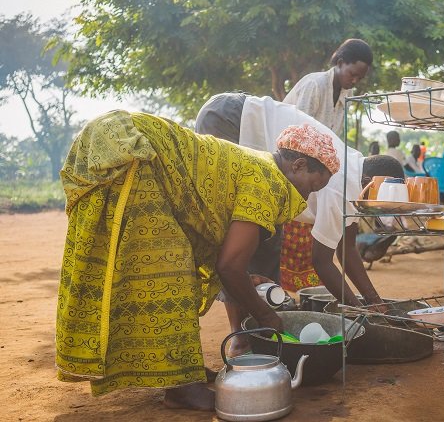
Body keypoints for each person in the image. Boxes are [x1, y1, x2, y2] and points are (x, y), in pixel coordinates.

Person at [56, 109, 338, 411]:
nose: (307, 198)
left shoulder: (259, 166)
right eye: (312, 186)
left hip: (124, 140)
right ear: (298, 164)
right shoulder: (268, 181)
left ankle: (179, 370)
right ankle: (181, 388)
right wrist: (267, 317)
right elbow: (229, 266)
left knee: (174, 270)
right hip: (133, 150)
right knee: (168, 271)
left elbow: (219, 242)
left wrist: (250, 281)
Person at [195, 93, 404, 353]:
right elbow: (322, 260)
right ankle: (242, 337)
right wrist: (357, 310)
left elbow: (347, 249)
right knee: (250, 242)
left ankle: (255, 332)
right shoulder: (342, 186)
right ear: (369, 182)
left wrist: (373, 302)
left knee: (267, 238)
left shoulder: (354, 173)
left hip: (232, 112)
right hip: (231, 120)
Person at [283, 38, 372, 137]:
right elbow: (298, 133)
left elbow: (332, 137)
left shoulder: (348, 93)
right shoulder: (314, 84)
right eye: (352, 74)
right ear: (340, 63)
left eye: (360, 78)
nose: (355, 81)